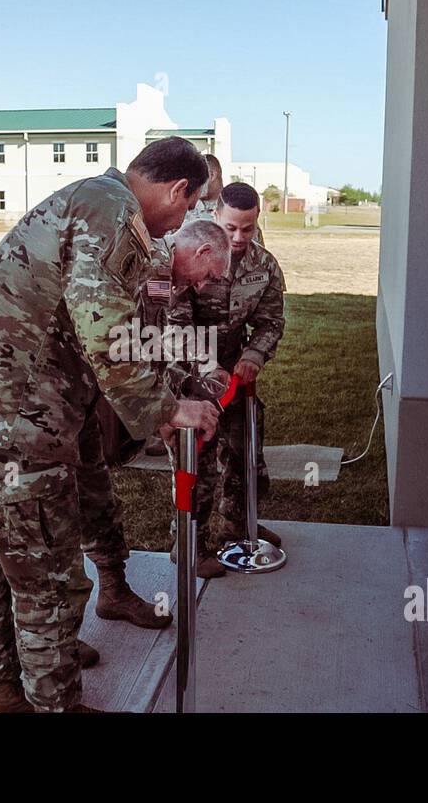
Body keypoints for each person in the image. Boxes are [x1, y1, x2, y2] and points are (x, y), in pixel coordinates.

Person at [0, 136, 224, 713]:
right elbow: (106, 325)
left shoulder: (90, 199)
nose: (182, 221)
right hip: (15, 425)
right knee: (50, 581)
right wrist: (164, 409)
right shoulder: (113, 211)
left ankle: (1, 693)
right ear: (177, 188)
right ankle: (53, 703)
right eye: (188, 207)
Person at [170, 182, 286, 578]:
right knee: (198, 463)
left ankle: (239, 523)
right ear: (215, 215)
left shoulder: (264, 266)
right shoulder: (188, 251)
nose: (238, 238)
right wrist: (205, 367)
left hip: (238, 374)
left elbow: (271, 321)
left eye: (248, 229)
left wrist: (254, 354)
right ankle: (189, 542)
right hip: (193, 378)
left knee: (247, 453)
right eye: (231, 227)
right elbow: (176, 324)